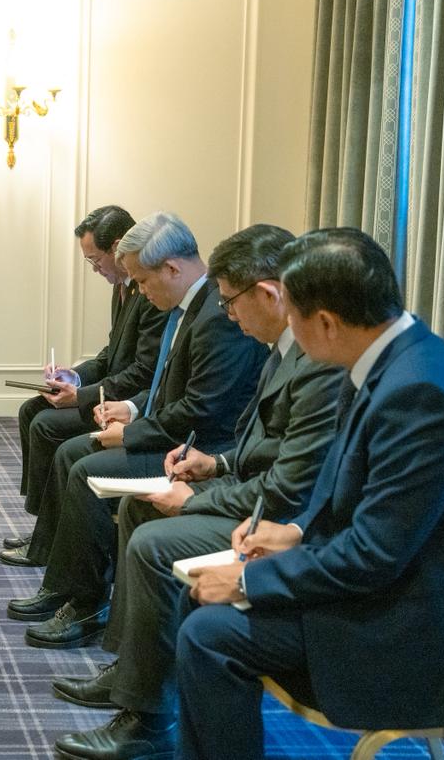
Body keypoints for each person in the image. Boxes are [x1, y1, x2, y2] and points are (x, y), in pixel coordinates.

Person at [175, 228, 444, 760]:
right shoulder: (393, 360)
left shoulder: (421, 392)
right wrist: (296, 534)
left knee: (210, 633)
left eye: (292, 313)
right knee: (200, 601)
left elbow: (374, 554)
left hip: (418, 628)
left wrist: (249, 580)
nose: (289, 329)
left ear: (324, 322)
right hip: (394, 584)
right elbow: (364, 503)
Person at [48, 224, 343, 760]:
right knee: (139, 510)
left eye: (231, 302)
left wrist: (199, 497)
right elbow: (267, 448)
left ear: (269, 294)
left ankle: (148, 720)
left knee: (152, 540)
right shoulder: (287, 349)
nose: (228, 314)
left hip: (284, 520)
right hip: (245, 480)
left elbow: (290, 484)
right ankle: (134, 675)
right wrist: (216, 465)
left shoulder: (317, 362)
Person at [4, 212, 266, 652]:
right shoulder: (189, 307)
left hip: (199, 448)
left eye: (143, 281)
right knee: (76, 456)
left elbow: (201, 410)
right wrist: (130, 410)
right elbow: (164, 386)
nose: (140, 291)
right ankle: (68, 586)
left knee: (84, 467)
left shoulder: (216, 317)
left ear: (172, 269)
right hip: (176, 435)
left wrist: (132, 433)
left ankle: (85, 602)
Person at [5, 205, 166, 554]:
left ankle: (48, 537)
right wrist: (74, 376)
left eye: (95, 260)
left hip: (131, 402)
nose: (94, 269)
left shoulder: (150, 294)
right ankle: (45, 525)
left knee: (46, 425)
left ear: (117, 247)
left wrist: (81, 396)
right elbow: (112, 354)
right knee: (31, 410)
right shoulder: (122, 287)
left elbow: (143, 371)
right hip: (113, 390)